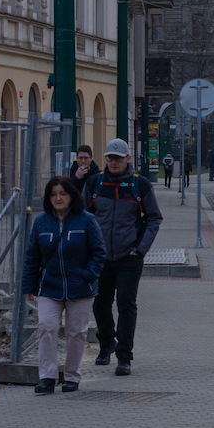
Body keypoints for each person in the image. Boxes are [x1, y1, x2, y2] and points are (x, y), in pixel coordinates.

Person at [84, 139, 163, 377]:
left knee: (126, 304)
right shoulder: (95, 183)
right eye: (110, 158)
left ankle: (124, 356)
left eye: (118, 158)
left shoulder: (140, 185)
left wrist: (140, 249)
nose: (114, 162)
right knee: (99, 303)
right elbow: (82, 216)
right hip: (100, 256)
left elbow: (154, 218)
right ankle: (107, 341)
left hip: (129, 256)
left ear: (128, 159)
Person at [22, 175, 106, 395]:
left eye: (63, 194)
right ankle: (47, 377)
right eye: (53, 194)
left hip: (80, 288)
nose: (58, 198)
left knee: (76, 332)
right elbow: (32, 256)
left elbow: (99, 252)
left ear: (71, 196)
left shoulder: (86, 220)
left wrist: (87, 275)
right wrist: (28, 286)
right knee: (47, 327)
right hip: (49, 287)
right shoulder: (41, 222)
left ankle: (71, 376)